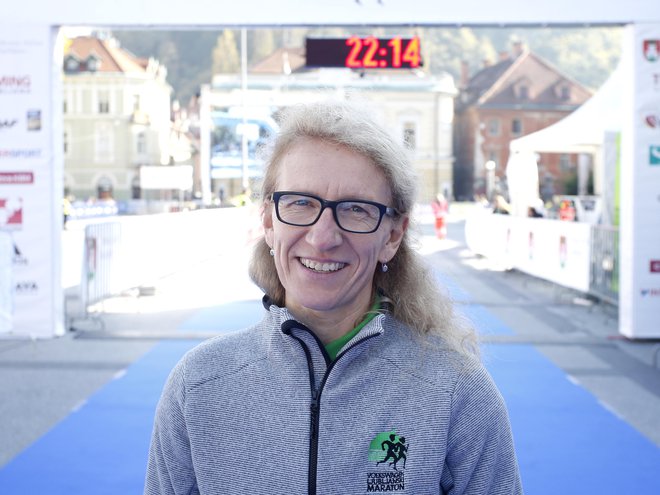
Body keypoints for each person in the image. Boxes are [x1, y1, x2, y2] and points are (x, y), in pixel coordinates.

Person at [144, 100, 523, 494]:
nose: (323, 238)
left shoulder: (456, 393)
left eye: (356, 209)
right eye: (301, 203)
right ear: (269, 220)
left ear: (392, 236)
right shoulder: (200, 385)